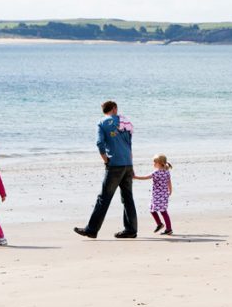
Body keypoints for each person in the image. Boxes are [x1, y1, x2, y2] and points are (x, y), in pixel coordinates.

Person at [74, 100, 138, 239]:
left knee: (104, 198)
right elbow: (129, 144)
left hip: (115, 164)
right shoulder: (125, 122)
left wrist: (105, 159)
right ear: (114, 108)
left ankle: (91, 229)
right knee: (128, 198)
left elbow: (99, 143)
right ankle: (131, 229)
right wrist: (131, 164)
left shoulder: (102, 123)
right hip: (127, 163)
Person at [134, 154, 174, 235]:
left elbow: (145, 177)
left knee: (161, 211)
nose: (154, 164)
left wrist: (135, 177)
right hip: (163, 194)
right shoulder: (166, 172)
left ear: (160, 163)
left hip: (158, 195)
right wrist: (170, 191)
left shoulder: (156, 172)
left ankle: (167, 228)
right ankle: (161, 224)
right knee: (154, 209)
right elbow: (169, 182)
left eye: (155, 162)